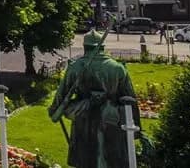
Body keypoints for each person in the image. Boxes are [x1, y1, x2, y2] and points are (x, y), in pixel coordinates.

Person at [49, 30, 147, 168]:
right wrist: (137, 129)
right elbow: (130, 100)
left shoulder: (75, 67)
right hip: (111, 120)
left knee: (85, 160)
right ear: (102, 47)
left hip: (84, 120)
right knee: (112, 159)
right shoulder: (117, 68)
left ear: (85, 47)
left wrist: (54, 110)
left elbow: (61, 96)